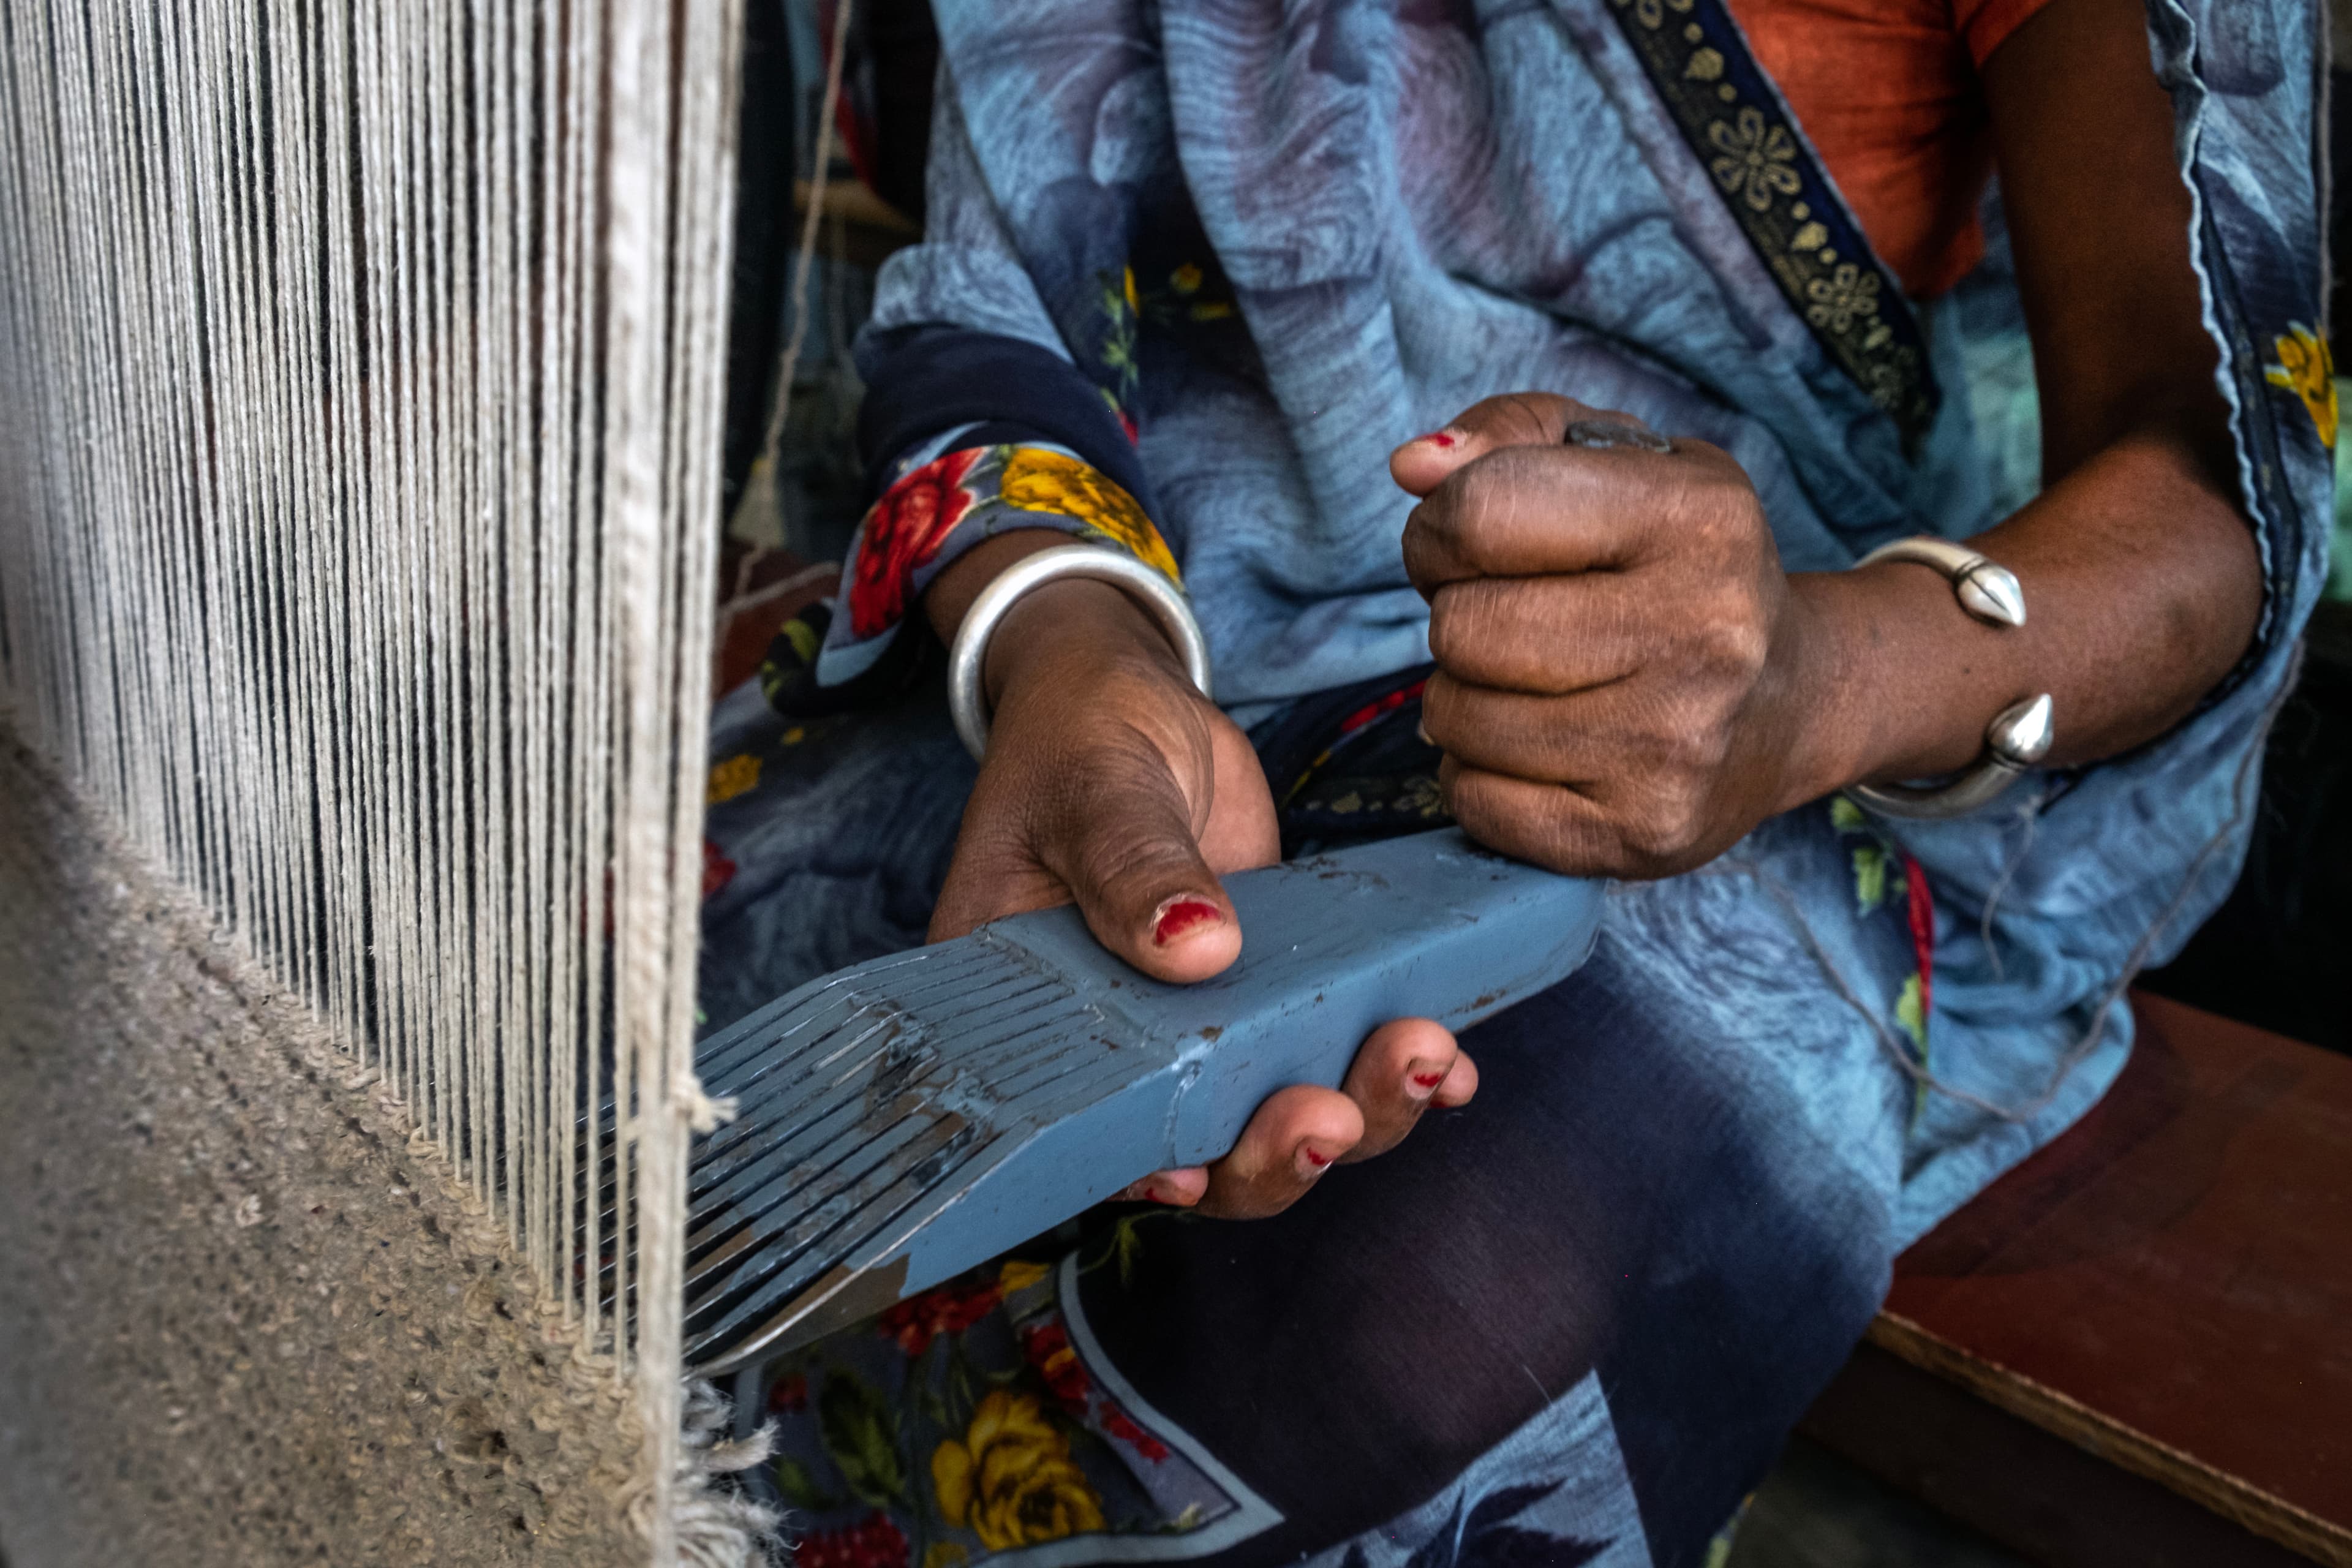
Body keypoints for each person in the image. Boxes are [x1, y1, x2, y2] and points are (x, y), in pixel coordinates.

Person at [697, 0, 2329, 1561]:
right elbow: (1001, 298)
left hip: (1756, 716)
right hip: (1136, 631)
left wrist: (1819, 681)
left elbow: (2206, 491)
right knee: (631, 1040)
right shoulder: (1091, 654)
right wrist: (1073, 648)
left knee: (1456, 1292)